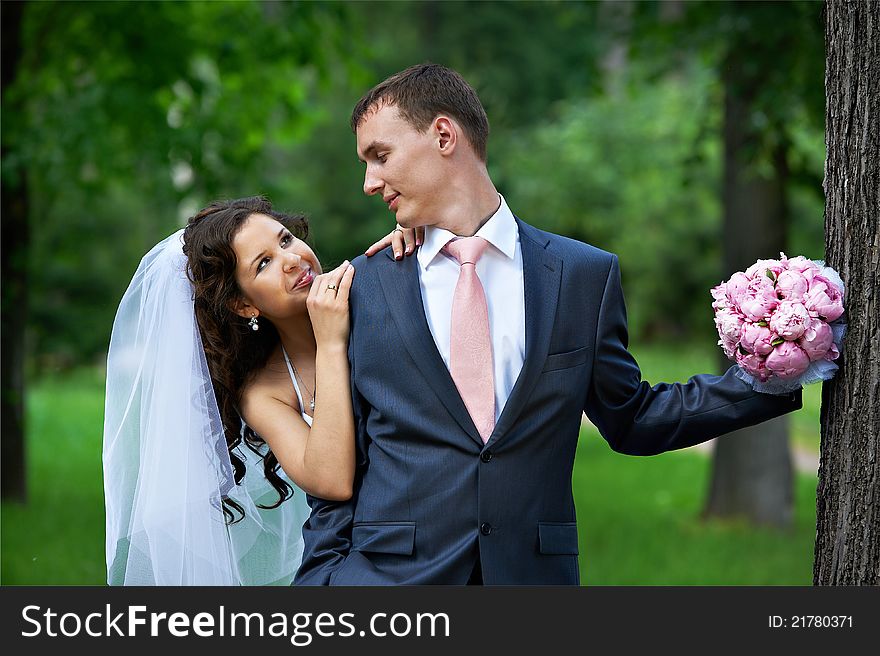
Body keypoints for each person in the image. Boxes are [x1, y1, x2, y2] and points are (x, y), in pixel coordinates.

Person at [294, 63, 803, 586]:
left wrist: (779, 373)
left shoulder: (583, 276)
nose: (368, 182)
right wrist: (320, 583)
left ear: (444, 135)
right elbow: (340, 459)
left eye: (380, 156)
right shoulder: (361, 289)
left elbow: (632, 418)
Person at [102, 196, 417, 585]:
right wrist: (331, 344)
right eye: (263, 263)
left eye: (285, 240)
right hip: (346, 551)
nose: (291, 259)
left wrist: (420, 242)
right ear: (244, 305)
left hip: (422, 526)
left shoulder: (367, 287)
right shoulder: (263, 391)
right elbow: (332, 480)